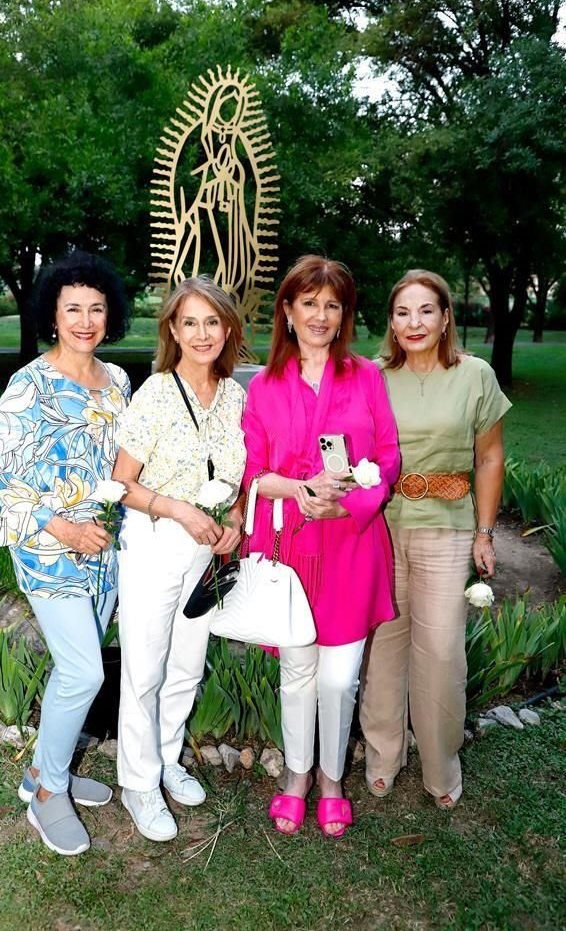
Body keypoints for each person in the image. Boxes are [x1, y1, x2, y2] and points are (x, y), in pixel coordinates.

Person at [0, 250, 131, 856]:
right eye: (73, 310)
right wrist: (61, 527)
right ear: (53, 315)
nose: (85, 320)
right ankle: (47, 797)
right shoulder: (27, 386)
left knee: (75, 670)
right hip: (47, 546)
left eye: (96, 308)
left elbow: (123, 466)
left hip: (104, 547)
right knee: (85, 671)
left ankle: (41, 770)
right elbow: (1, 484)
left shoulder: (118, 382)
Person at [241, 255, 401, 837]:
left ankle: (333, 778)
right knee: (298, 673)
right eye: (308, 303)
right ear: (287, 310)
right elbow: (252, 472)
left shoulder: (366, 376)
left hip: (352, 544)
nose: (319, 315)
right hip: (292, 546)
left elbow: (387, 458)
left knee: (339, 678)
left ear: (344, 316)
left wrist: (348, 503)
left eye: (332, 305)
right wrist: (299, 488)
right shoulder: (262, 386)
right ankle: (297, 776)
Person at [359, 269, 511, 810]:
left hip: (447, 526)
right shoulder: (371, 375)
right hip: (380, 525)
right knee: (383, 646)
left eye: (426, 310)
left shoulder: (475, 376)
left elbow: (490, 456)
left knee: (441, 651)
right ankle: (382, 755)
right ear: (391, 323)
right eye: (403, 313)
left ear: (446, 317)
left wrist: (485, 532)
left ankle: (440, 764)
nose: (414, 322)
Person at [113, 275, 246, 842]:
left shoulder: (237, 396)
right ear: (172, 328)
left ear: (228, 330)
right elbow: (121, 484)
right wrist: (179, 510)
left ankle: (166, 759)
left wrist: (235, 521)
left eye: (211, 322)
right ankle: (138, 783)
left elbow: (242, 478)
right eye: (188, 322)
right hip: (155, 543)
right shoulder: (156, 393)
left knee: (187, 664)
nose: (201, 333)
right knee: (144, 669)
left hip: (206, 552)